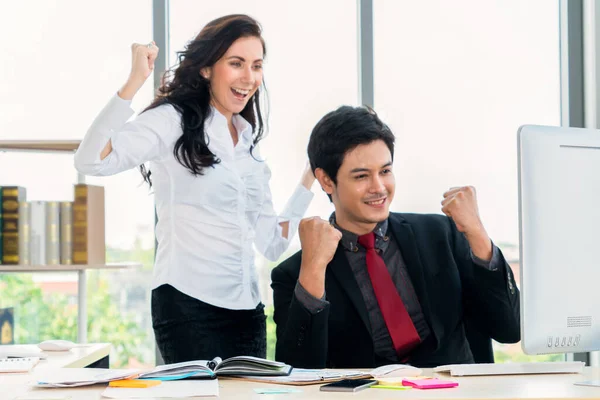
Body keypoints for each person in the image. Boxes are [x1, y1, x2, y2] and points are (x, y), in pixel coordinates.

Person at [74, 14, 315, 364]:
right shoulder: (173, 121)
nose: (249, 78)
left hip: (247, 312)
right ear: (206, 69)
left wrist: (310, 176)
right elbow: (90, 161)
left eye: (257, 66)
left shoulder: (248, 143)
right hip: (188, 306)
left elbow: (272, 243)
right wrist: (133, 82)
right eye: (236, 64)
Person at [271, 106, 519, 369]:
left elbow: (510, 329)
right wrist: (313, 269)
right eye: (362, 176)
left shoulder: (442, 234)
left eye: (385, 171)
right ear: (326, 180)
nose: (379, 188)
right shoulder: (295, 274)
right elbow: (297, 373)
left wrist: (478, 234)